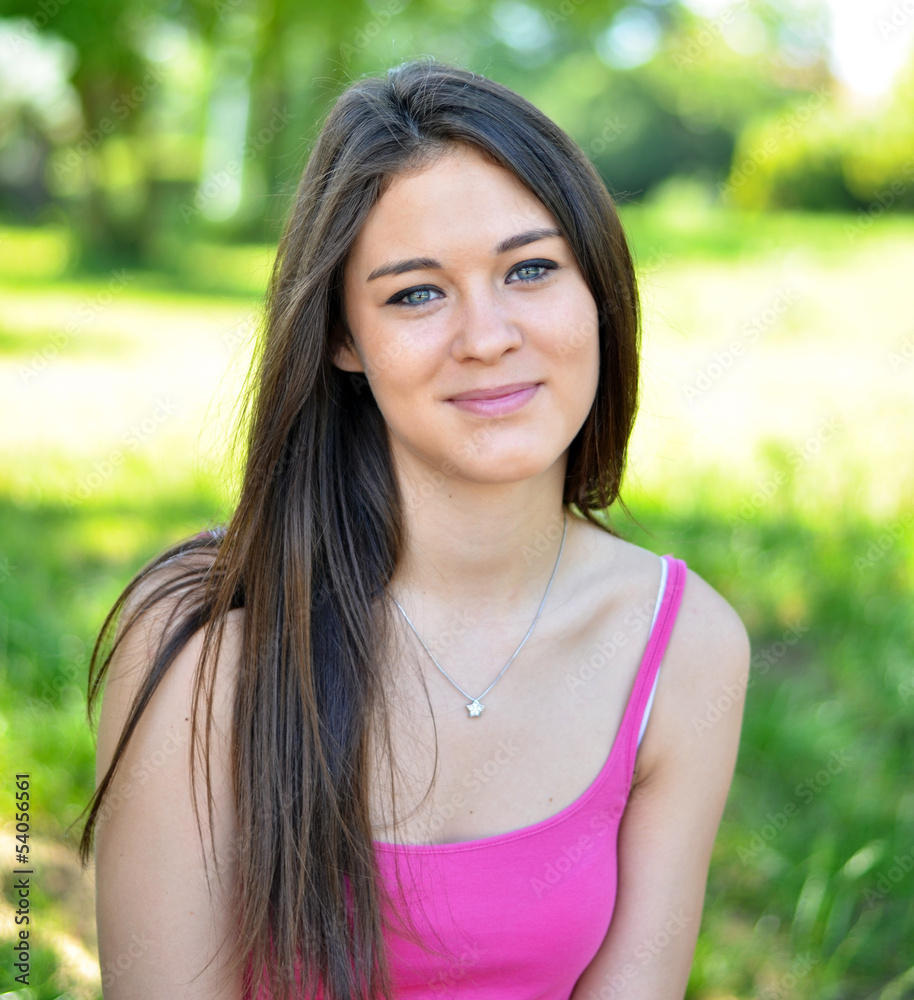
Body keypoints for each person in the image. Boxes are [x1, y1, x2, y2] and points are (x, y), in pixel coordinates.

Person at [79, 56, 749, 1000]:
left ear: (597, 289)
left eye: (529, 269)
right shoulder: (208, 643)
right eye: (416, 293)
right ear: (343, 338)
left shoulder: (684, 647)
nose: (487, 336)